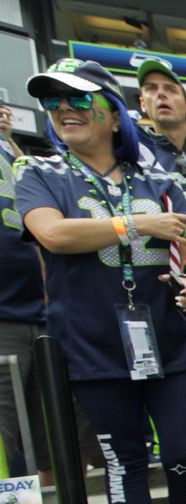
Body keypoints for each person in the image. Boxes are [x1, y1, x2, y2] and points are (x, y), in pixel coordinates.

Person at [16, 59, 186, 504]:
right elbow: (53, 236)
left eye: (79, 99)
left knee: (183, 449)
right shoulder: (39, 173)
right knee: (121, 456)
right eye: (53, 101)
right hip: (94, 344)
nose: (64, 109)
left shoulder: (159, 178)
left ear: (113, 114)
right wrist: (135, 223)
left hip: (171, 337)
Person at [0, 102, 52, 483]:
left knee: (49, 444)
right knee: (4, 440)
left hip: (37, 313)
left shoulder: (12, 155)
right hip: (5, 317)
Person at [135, 58, 186, 178]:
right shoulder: (136, 157)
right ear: (143, 104)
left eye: (170, 89)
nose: (161, 94)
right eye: (151, 88)